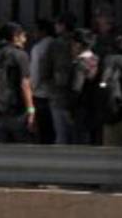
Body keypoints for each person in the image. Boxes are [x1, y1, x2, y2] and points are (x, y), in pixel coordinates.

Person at [0, 22, 34, 143]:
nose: (25, 40)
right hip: (15, 110)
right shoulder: (20, 55)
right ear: (15, 37)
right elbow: (25, 84)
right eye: (23, 36)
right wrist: (31, 109)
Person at [42, 12, 78, 144]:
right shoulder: (79, 41)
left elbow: (45, 69)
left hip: (58, 95)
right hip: (78, 95)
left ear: (63, 26)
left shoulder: (55, 44)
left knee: (61, 135)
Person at [69, 28, 101, 145]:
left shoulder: (80, 64)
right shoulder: (96, 60)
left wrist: (70, 107)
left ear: (78, 44)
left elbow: (76, 88)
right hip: (96, 108)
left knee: (80, 141)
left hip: (82, 109)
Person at [28, 17, 56, 144]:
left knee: (44, 134)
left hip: (41, 95)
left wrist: (31, 89)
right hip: (57, 95)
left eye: (35, 31)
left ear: (43, 31)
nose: (33, 34)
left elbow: (35, 73)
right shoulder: (58, 44)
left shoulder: (38, 48)